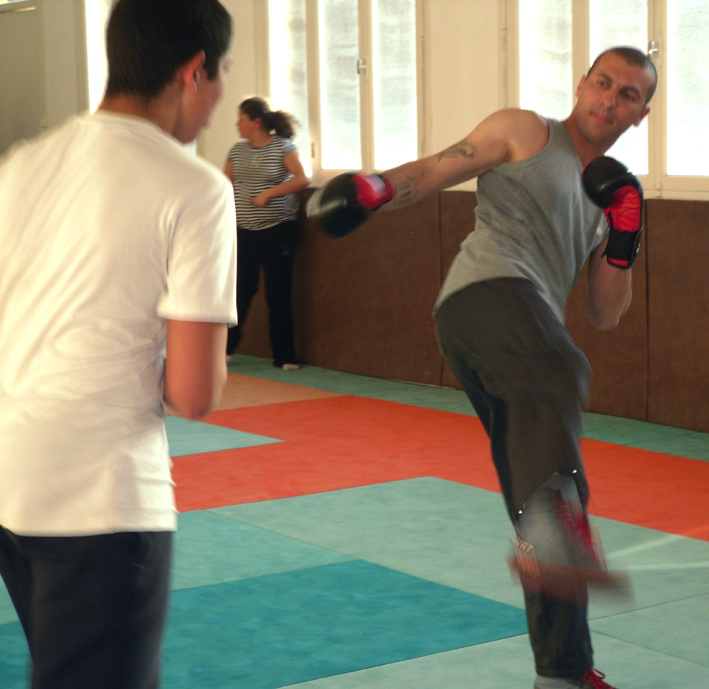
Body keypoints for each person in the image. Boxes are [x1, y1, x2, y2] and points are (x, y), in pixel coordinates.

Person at [307, 46, 657, 689]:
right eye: (603, 83)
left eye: (628, 95)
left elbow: (606, 314)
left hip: (520, 345)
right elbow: (438, 169)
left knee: (553, 512)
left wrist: (627, 234)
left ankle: (564, 672)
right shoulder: (527, 131)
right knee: (563, 372)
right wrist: (376, 188)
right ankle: (555, 537)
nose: (609, 99)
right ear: (581, 84)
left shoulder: (613, 191)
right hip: (486, 301)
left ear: (640, 115)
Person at [0, 1, 235, 687]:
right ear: (195, 71)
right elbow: (194, 394)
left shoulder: (22, 164)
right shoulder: (195, 188)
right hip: (99, 495)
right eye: (221, 77)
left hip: (13, 477)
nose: (219, 102)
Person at [223, 97, 310, 370]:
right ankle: (225, 348)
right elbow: (225, 182)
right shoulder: (237, 151)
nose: (238, 124)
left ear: (256, 122)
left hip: (278, 230)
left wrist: (268, 194)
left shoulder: (283, 147)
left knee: (278, 293)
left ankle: (285, 356)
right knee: (240, 291)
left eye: (242, 119)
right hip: (245, 231)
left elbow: (301, 178)